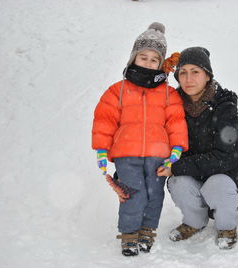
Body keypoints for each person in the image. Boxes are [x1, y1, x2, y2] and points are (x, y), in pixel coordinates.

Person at [91, 22, 188, 257]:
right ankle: (128, 234)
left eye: (154, 59)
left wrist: (176, 149)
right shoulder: (118, 91)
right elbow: (105, 121)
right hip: (126, 154)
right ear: (133, 58)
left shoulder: (168, 93)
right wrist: (102, 150)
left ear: (161, 63)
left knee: (155, 194)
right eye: (142, 56)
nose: (147, 62)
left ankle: (147, 230)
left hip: (158, 155)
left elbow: (175, 121)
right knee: (134, 193)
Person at [157, 47, 238, 250]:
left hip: (234, 176)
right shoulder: (173, 107)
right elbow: (156, 140)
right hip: (198, 174)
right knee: (178, 181)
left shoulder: (225, 107)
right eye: (183, 72)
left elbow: (226, 158)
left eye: (195, 72)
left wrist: (178, 166)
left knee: (217, 183)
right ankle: (194, 222)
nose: (188, 79)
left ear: (207, 76)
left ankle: (226, 227)